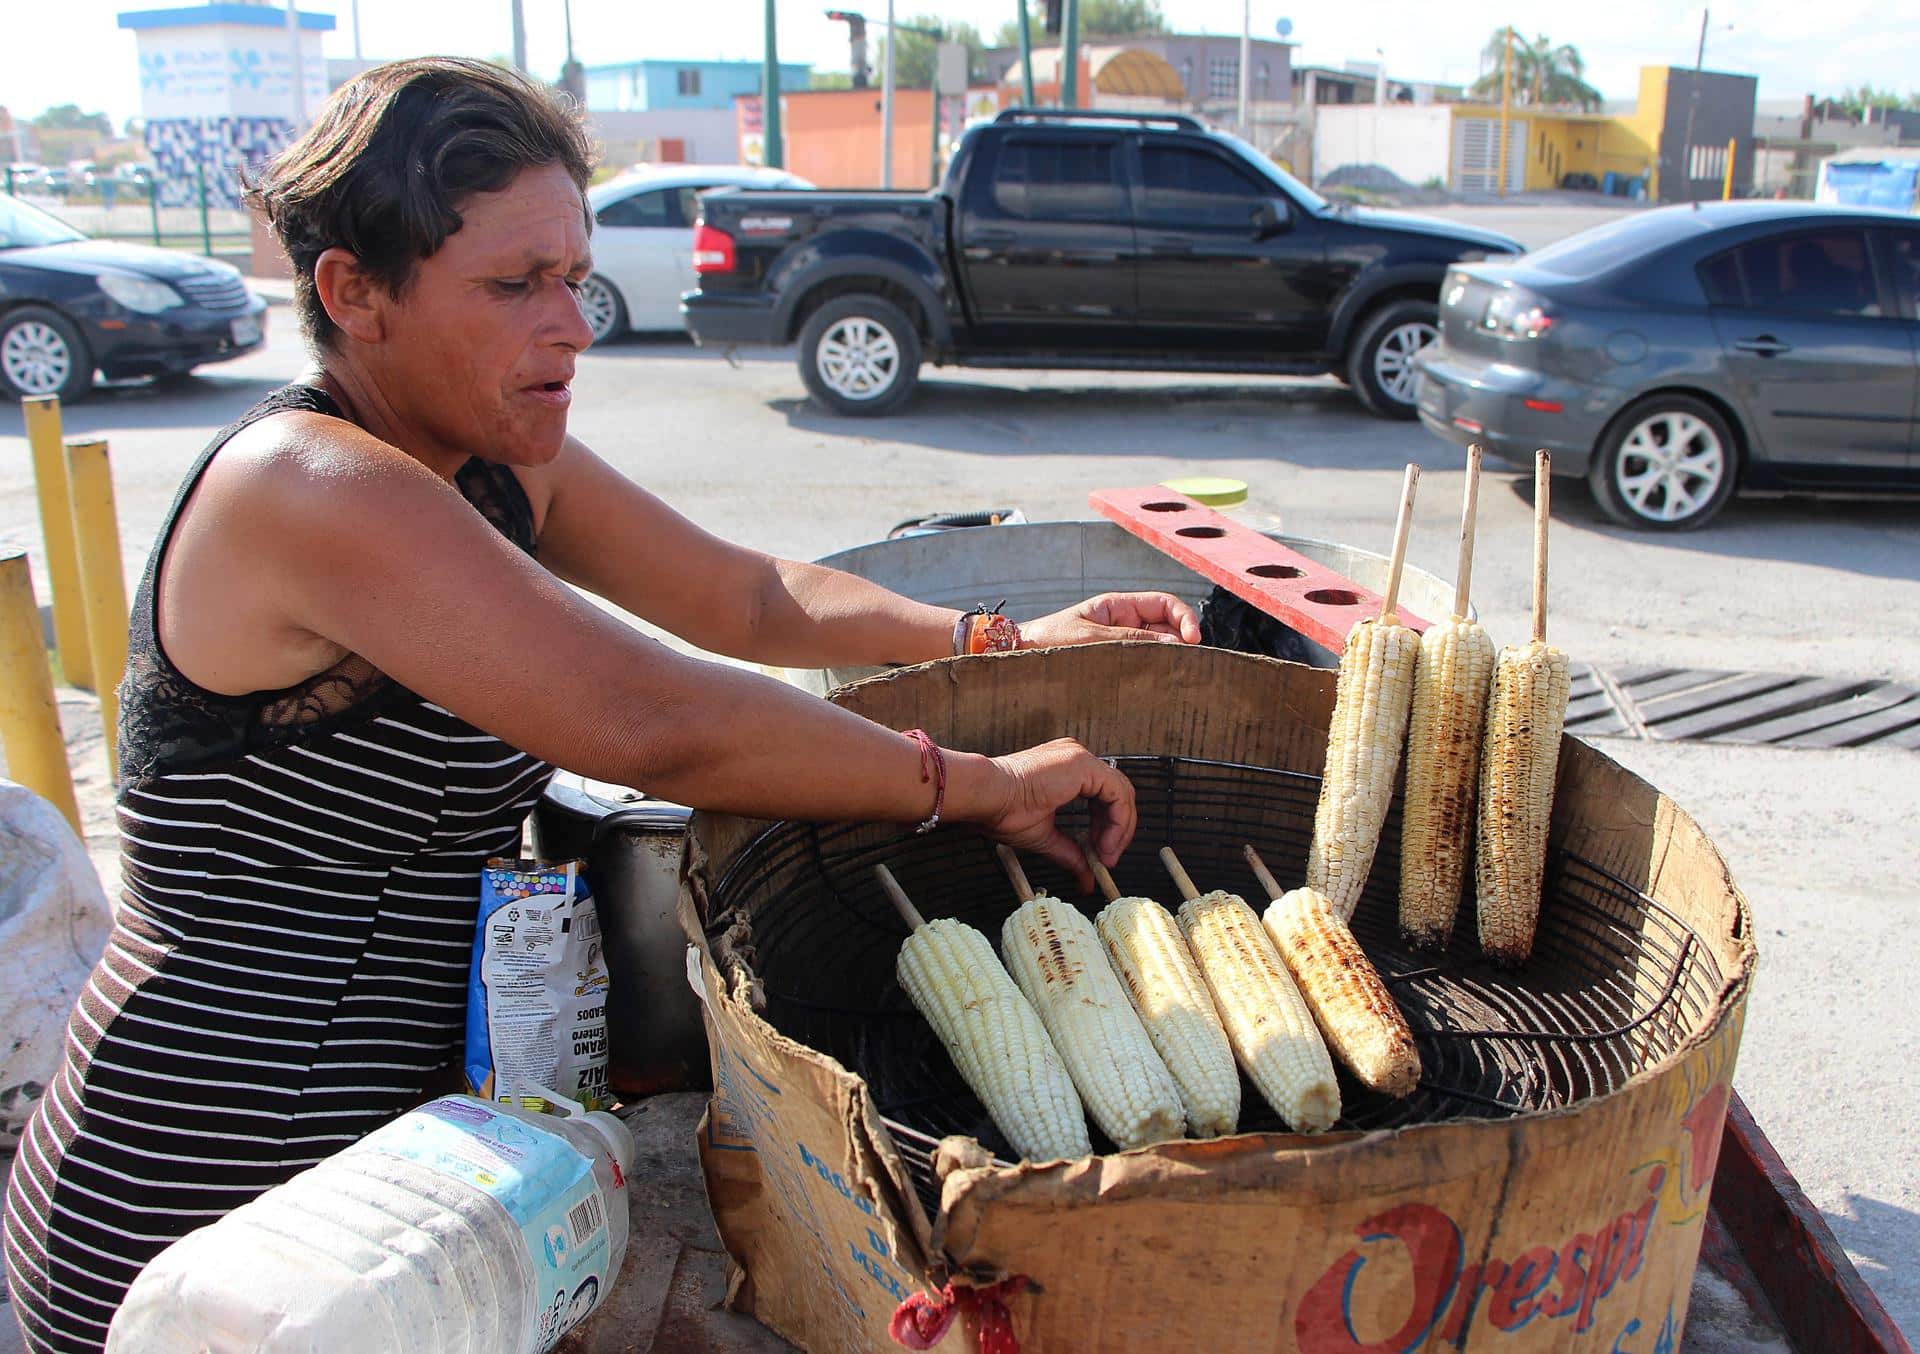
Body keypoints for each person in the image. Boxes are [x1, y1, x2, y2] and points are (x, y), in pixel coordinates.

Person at [0, 58, 1199, 1352]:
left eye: (573, 275)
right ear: (354, 292)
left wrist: (999, 633)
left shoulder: (494, 460)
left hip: (397, 1201)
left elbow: (748, 598)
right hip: (198, 1202)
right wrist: (979, 784)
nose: (572, 324)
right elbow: (647, 717)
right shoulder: (302, 485)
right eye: (514, 285)